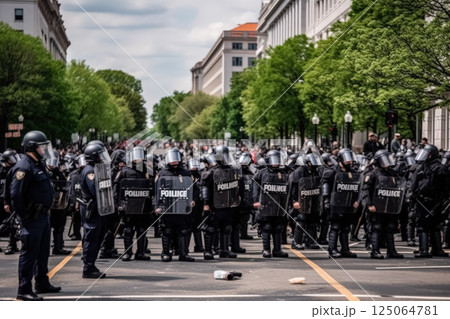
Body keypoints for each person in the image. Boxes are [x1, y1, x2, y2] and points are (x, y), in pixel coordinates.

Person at [11, 131, 61, 301]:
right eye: (42, 145)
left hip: (43, 217)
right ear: (32, 147)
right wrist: (25, 217)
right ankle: (24, 289)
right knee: (29, 254)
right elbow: (16, 196)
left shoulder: (38, 164)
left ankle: (42, 282)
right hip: (32, 218)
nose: (45, 148)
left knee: (42, 253)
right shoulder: (24, 167)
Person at [361, 150, 405, 259]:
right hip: (376, 206)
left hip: (389, 206)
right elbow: (365, 190)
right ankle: (375, 251)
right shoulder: (372, 174)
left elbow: (398, 189)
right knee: (376, 227)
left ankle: (391, 251)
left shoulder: (393, 173)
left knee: (390, 227)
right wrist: (369, 204)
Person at [407, 144, 450, 258]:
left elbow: (446, 186)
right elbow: (414, 183)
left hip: (434, 201)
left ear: (432, 155)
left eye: (427, 154)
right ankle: (433, 250)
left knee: (429, 225)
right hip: (424, 200)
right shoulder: (422, 167)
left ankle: (427, 250)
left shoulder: (439, 168)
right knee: (430, 225)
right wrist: (411, 194)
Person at [201, 146, 241, 260]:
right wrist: (206, 204)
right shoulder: (211, 172)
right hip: (214, 206)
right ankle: (208, 251)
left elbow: (235, 186)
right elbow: (205, 189)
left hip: (228, 205)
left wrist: (236, 198)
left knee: (226, 228)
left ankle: (224, 250)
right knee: (210, 229)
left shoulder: (231, 170)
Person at [155, 148, 195, 262]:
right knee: (167, 231)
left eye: (176, 161)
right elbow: (157, 191)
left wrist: (193, 200)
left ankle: (183, 253)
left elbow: (193, 189)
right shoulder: (163, 173)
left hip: (182, 207)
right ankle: (166, 253)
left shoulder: (186, 173)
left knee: (183, 231)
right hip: (167, 207)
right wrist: (157, 206)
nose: (175, 163)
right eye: (173, 161)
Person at [80, 143, 113, 278]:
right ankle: (88, 268)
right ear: (94, 157)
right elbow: (96, 190)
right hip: (93, 210)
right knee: (91, 238)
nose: (102, 157)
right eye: (100, 155)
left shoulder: (97, 169)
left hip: (99, 209)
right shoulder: (90, 171)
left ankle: (91, 265)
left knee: (98, 237)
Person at [115, 146, 152, 261]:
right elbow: (117, 189)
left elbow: (153, 188)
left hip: (143, 206)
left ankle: (140, 253)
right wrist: (119, 204)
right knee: (128, 230)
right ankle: (127, 253)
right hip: (128, 206)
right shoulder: (124, 172)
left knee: (141, 230)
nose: (138, 159)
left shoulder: (148, 171)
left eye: (140, 157)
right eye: (136, 157)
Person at [321, 148, 360, 258]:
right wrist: (327, 202)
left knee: (346, 228)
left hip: (347, 204)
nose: (349, 162)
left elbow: (356, 188)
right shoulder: (332, 172)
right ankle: (332, 249)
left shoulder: (351, 173)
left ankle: (345, 249)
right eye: (347, 160)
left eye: (350, 160)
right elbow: (325, 186)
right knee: (335, 227)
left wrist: (356, 200)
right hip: (335, 204)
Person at [252, 150, 289, 258]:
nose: (275, 163)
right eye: (273, 160)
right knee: (266, 227)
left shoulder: (283, 173)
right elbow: (255, 186)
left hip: (278, 205)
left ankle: (277, 250)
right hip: (266, 204)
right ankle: (266, 250)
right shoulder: (262, 173)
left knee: (278, 228)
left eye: (277, 160)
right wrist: (255, 200)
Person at [1, 149, 21, 255]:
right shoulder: (6, 171)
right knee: (8, 224)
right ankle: (9, 245)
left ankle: (14, 245)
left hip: (16, 201)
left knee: (15, 224)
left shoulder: (17, 169)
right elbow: (6, 189)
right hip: (7, 200)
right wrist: (6, 202)